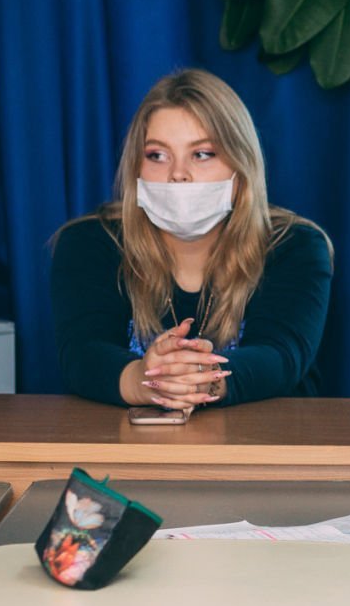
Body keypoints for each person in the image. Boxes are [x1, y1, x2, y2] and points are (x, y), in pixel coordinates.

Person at [52, 68, 332, 411]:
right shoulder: (88, 243)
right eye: (157, 155)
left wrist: (203, 378)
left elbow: (281, 355)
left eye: (202, 154)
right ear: (136, 168)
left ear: (241, 169)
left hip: (268, 438)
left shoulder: (295, 245)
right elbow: (83, 354)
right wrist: (147, 381)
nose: (178, 174)